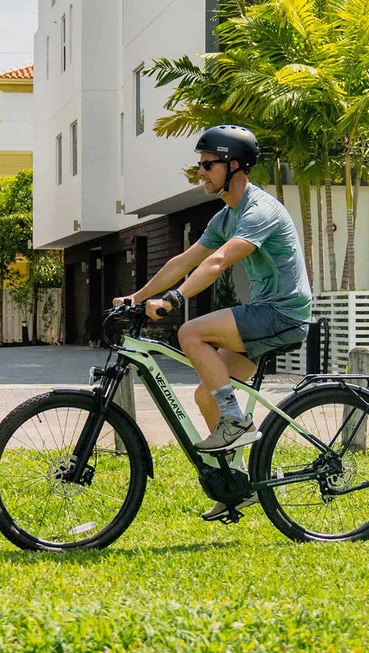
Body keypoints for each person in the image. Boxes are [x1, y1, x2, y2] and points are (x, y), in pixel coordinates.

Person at [113, 124, 312, 519]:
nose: (200, 172)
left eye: (207, 165)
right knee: (207, 395)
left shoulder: (260, 211)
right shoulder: (226, 216)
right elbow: (184, 261)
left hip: (282, 313)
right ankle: (236, 484)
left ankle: (235, 421)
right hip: (266, 313)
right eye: (199, 165)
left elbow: (218, 262)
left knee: (191, 331)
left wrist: (174, 299)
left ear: (234, 166)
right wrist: (136, 298)